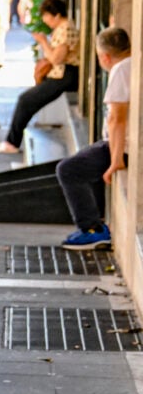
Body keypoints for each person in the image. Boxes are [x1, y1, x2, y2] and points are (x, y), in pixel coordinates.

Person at [56, 27, 130, 250]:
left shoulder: (121, 70)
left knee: (68, 170)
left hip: (123, 146)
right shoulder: (133, 63)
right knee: (88, 161)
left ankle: (92, 229)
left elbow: (118, 119)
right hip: (120, 144)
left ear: (104, 56)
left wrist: (116, 160)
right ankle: (99, 224)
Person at [0, 0, 80, 154]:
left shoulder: (65, 28)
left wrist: (43, 42)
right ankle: (11, 141)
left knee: (25, 100)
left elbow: (57, 59)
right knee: (27, 100)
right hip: (60, 74)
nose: (45, 20)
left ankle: (12, 142)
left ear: (57, 15)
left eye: (46, 16)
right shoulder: (62, 28)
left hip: (64, 75)